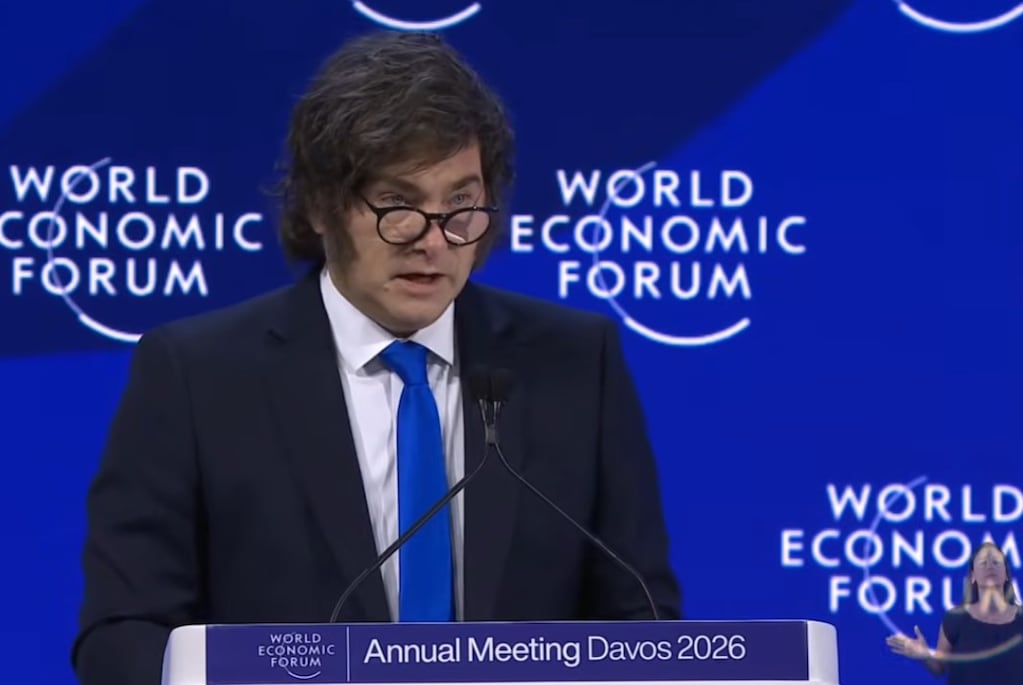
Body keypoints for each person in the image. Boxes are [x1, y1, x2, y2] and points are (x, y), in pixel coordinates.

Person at [71, 30, 681, 685]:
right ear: (320, 207)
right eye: (398, 205)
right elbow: (123, 632)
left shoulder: (576, 362)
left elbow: (640, 622)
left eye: (460, 206)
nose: (433, 241)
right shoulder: (198, 375)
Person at [886, 541, 1023, 683]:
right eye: (983, 563)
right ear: (973, 576)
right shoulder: (955, 619)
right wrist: (925, 655)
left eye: (996, 562)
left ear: (1006, 574)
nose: (990, 567)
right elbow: (939, 668)